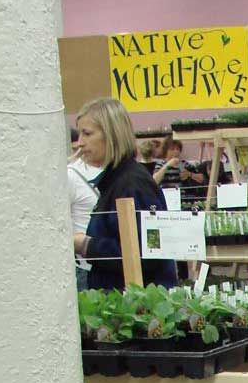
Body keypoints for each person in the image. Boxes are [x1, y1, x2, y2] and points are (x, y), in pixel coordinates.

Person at [73, 97, 177, 290]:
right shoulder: (117, 180)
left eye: (87, 134)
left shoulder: (131, 184)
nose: (79, 143)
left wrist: (86, 245)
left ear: (112, 135)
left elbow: (147, 253)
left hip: (136, 306)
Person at [67, 133, 101, 291]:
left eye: (87, 133)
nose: (81, 143)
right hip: (84, 267)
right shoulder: (71, 174)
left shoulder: (120, 173)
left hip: (108, 265)